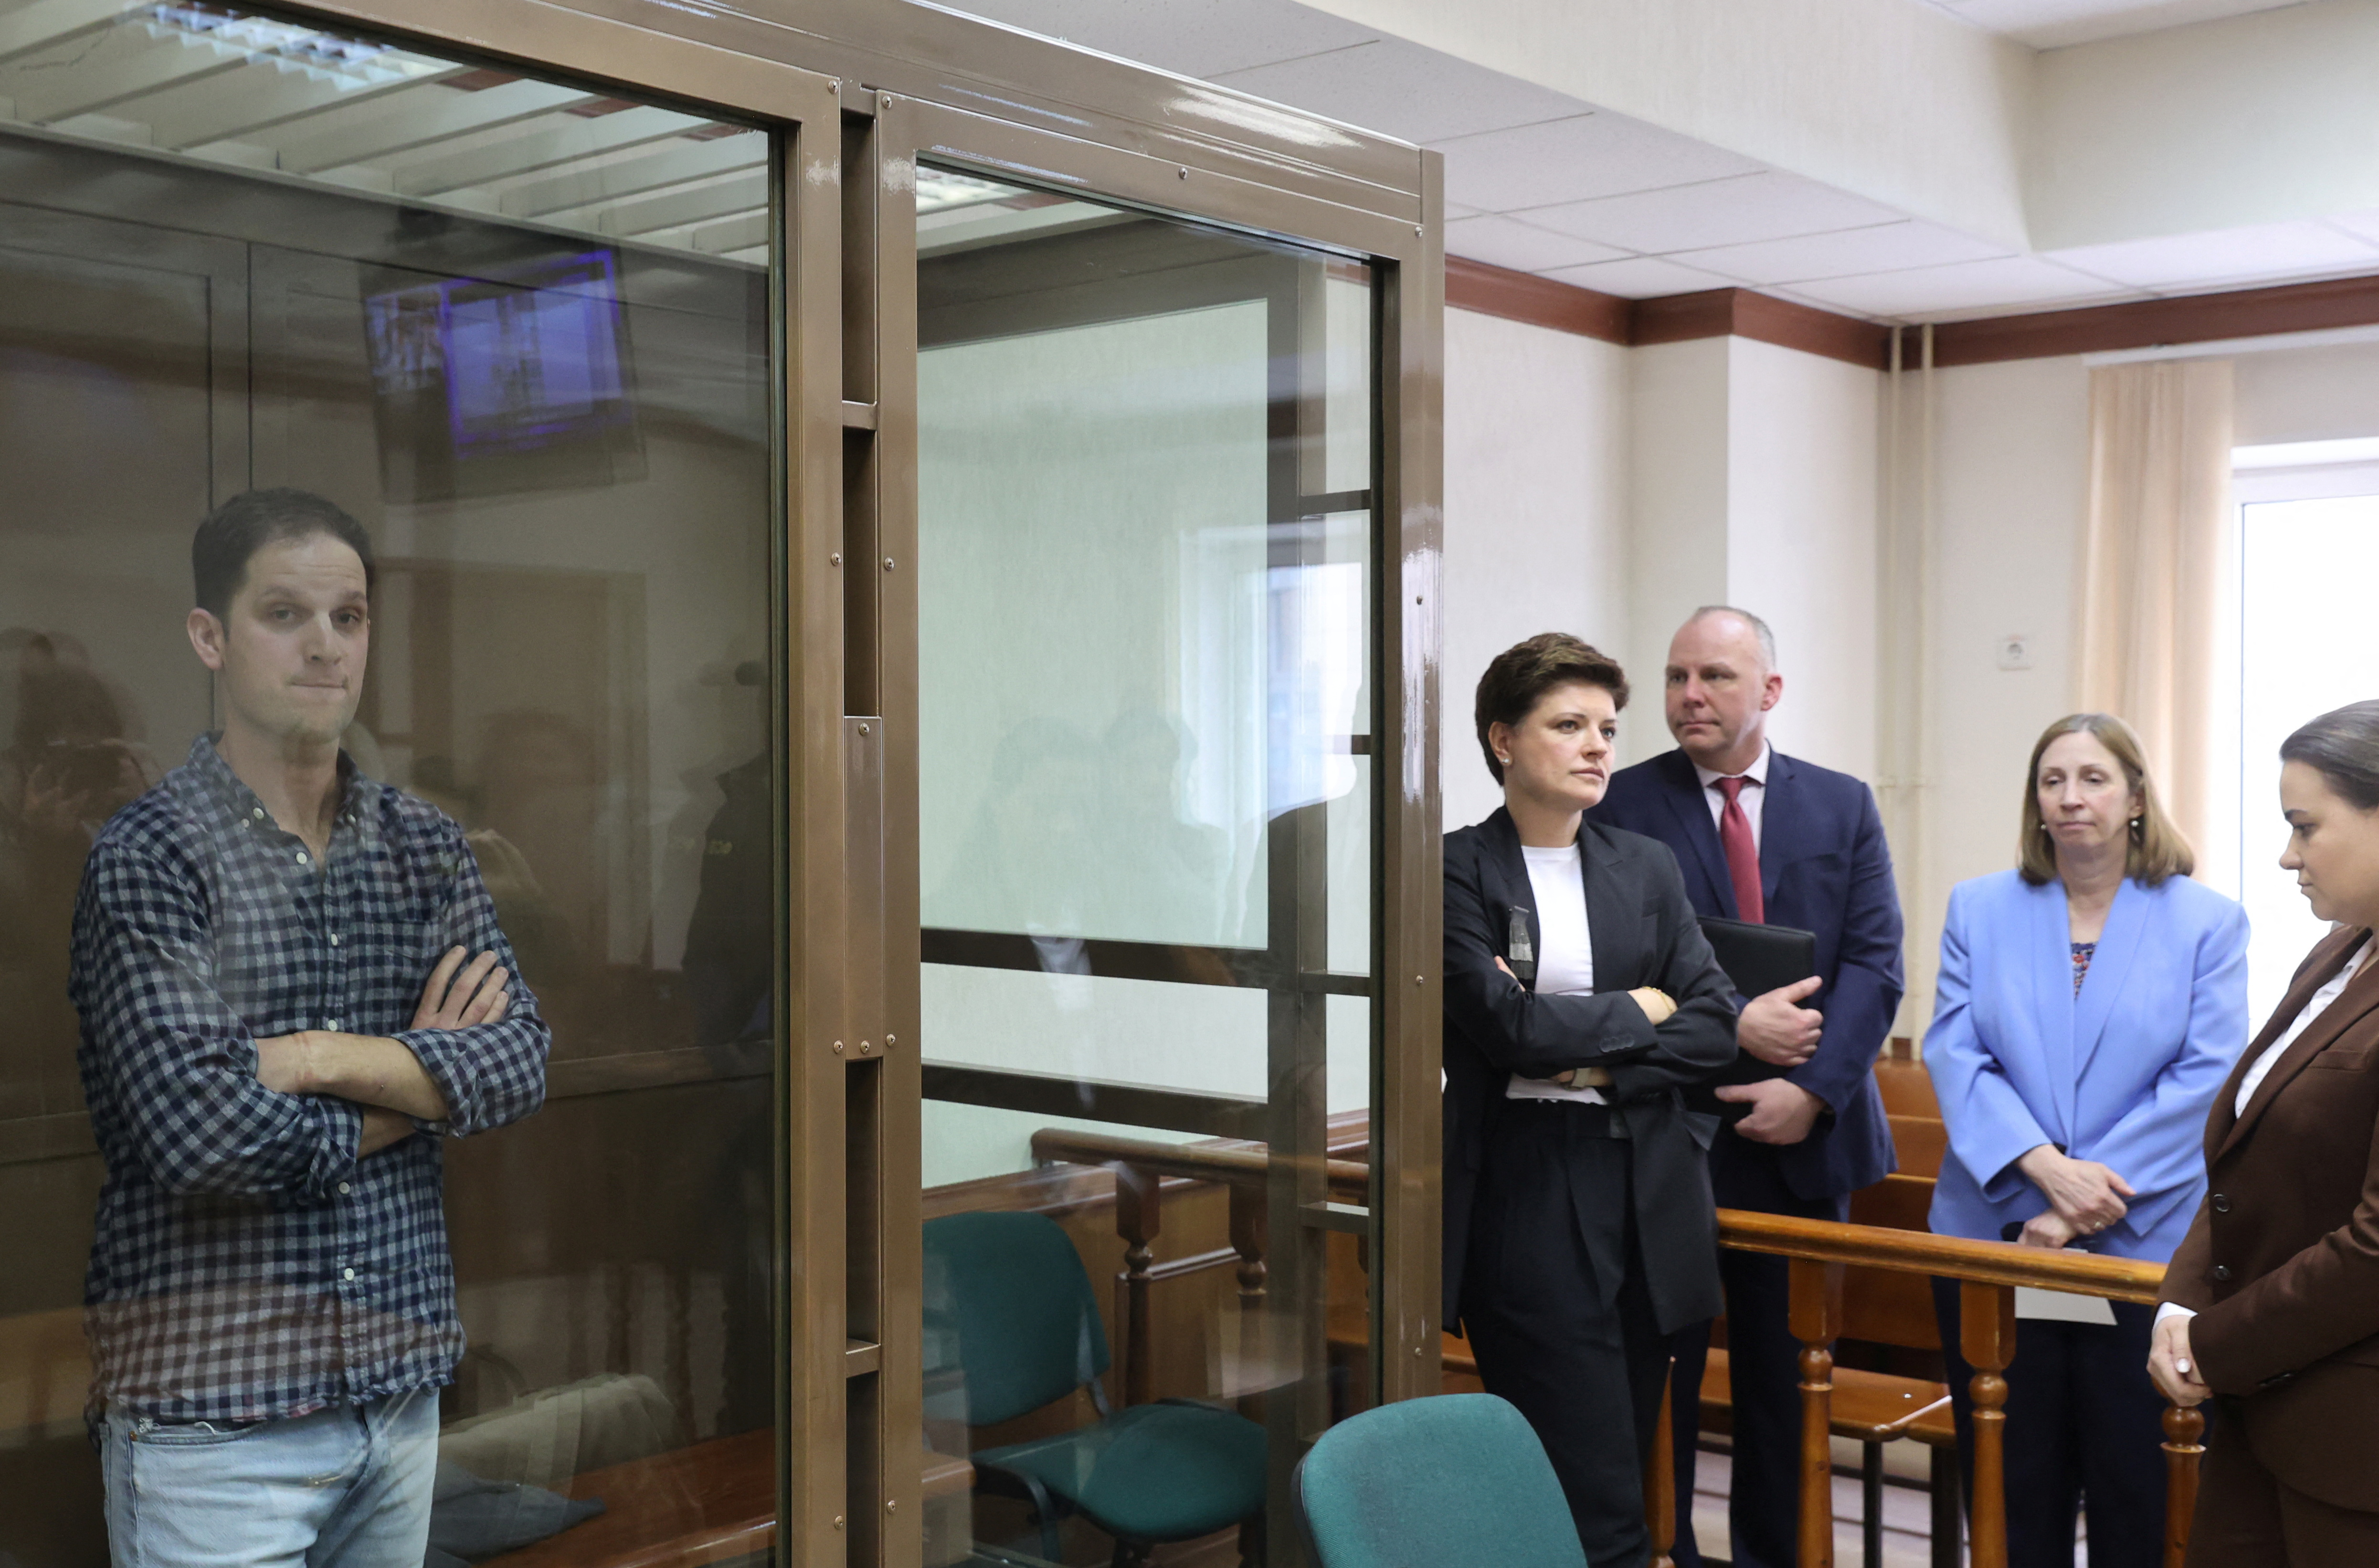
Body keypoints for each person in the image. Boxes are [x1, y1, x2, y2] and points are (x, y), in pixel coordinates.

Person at [71, 488, 551, 1567]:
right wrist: (419, 1088)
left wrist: (313, 1059)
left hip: (397, 1391)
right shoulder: (152, 856)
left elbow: (517, 1058)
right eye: (283, 614)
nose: (325, 645)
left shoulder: (423, 844)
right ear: (210, 637)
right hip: (214, 1419)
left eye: (349, 616)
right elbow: (201, 1134)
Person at [1588, 605, 1905, 1568]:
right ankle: (1668, 1550)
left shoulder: (1839, 802)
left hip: (1807, 1144)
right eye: (1677, 675)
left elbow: (1876, 962)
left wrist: (1810, 1088)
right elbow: (1610, 970)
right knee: (1665, 1374)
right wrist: (1727, 1031)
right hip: (1668, 1135)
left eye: (1715, 676)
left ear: (1767, 690)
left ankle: (1777, 1554)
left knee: (1784, 1382)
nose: (1689, 694)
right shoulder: (1620, 802)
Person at [1443, 631, 1737, 1568]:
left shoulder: (1643, 866)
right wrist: (1637, 1013)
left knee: (1621, 1460)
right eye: (1566, 725)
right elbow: (1504, 1031)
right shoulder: (1454, 867)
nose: (1596, 747)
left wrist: (1586, 1056)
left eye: (1606, 728)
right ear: (1501, 740)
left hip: (1647, 1185)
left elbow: (1715, 1024)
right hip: (1527, 1187)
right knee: (1593, 1495)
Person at [1926, 712, 2247, 1568]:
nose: (2072, 799)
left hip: (2138, 1246)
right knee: (2011, 1483)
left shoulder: (2207, 922)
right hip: (1997, 1236)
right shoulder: (1980, 906)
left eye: (2095, 779)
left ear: (2137, 796)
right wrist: (2043, 1172)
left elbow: (2205, 1079)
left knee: (2133, 1483)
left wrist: (2078, 1209)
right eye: (2053, 780)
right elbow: (1956, 1053)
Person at [2152, 699, 2379, 1562]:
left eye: (2306, 826)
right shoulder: (2339, 950)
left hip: (2353, 1443)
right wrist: (2183, 1297)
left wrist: (2214, 1344)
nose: (2287, 855)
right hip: (2268, 1407)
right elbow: (2246, 1153)